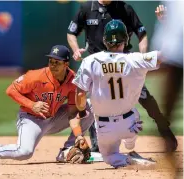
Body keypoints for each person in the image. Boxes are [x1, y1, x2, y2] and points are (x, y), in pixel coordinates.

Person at [66, 0, 177, 153]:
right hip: (99, 67)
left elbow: (141, 33)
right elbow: (71, 32)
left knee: (147, 100)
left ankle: (164, 131)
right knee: (96, 103)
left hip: (123, 63)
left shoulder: (124, 8)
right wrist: (75, 49)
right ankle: (97, 144)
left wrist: (142, 57)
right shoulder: (87, 8)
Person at [0, 45, 95, 164]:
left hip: (54, 118)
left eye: (57, 62)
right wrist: (32, 104)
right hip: (31, 118)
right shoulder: (36, 76)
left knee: (89, 106)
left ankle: (68, 150)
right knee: (24, 152)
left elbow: (73, 114)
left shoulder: (73, 80)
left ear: (66, 64)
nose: (53, 65)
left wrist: (79, 136)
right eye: (51, 61)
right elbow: (11, 90)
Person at [72, 19, 163, 168]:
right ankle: (130, 141)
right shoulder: (135, 59)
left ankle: (128, 160)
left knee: (109, 157)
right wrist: (164, 24)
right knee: (134, 111)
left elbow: (80, 95)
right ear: (126, 39)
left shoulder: (90, 61)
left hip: (103, 127)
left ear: (104, 40)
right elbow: (163, 57)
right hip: (129, 123)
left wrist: (82, 111)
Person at [152, 3, 183, 178]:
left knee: (167, 111)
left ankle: (166, 138)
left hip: (175, 54)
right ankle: (166, 137)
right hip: (175, 54)